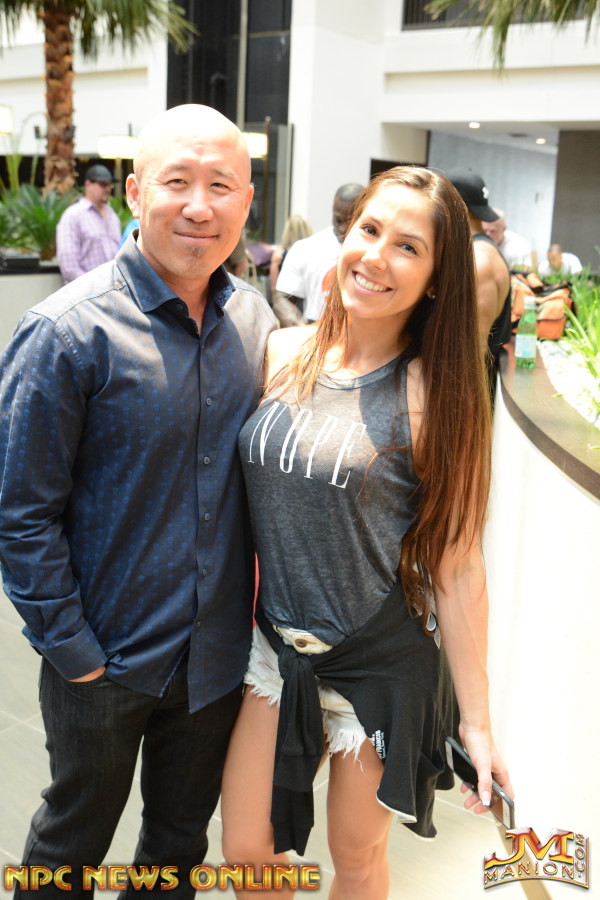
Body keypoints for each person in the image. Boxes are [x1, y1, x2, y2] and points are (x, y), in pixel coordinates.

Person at [0, 104, 276, 898]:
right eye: (177, 181)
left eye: (220, 185)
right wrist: (73, 650)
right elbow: (20, 512)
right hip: (105, 656)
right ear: (133, 191)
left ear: (246, 200)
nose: (199, 206)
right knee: (70, 845)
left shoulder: (255, 321)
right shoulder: (66, 331)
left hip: (215, 658)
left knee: (176, 846)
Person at [221, 166, 513, 900]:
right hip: (279, 649)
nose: (377, 256)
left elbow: (458, 566)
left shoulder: (436, 397)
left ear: (437, 281)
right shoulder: (281, 353)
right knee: (247, 850)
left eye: (408, 247)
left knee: (355, 857)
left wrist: (478, 724)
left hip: (380, 663)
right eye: (371, 230)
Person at [446, 169, 512, 392]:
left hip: (464, 391)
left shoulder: (479, 260)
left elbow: (474, 349)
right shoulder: (474, 251)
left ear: (456, 207)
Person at [275, 182, 363, 323]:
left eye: (350, 221)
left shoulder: (376, 255)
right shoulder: (305, 249)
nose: (342, 228)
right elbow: (282, 299)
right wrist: (300, 328)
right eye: (338, 220)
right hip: (315, 327)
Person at [56, 163, 122, 282]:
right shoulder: (73, 216)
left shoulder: (112, 215)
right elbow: (69, 268)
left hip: (115, 289)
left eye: (110, 185)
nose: (108, 189)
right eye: (103, 184)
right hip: (85, 291)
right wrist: (96, 287)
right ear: (88, 185)